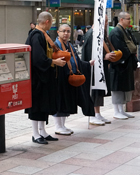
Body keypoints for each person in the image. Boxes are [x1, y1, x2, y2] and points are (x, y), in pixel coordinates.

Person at [24, 12, 66, 144]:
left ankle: (43, 131)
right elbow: (38, 58)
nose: (52, 24)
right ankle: (35, 134)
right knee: (37, 106)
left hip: (45, 76)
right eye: (52, 21)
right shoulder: (36, 35)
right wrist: (54, 62)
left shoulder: (43, 34)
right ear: (47, 21)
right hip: (38, 78)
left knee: (44, 105)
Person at [53, 24, 94, 135]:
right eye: (63, 31)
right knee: (60, 101)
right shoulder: (55, 45)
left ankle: (63, 125)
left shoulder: (69, 45)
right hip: (60, 78)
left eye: (68, 31)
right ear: (58, 32)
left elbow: (76, 61)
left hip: (69, 77)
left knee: (67, 101)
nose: (66, 33)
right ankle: (58, 126)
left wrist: (87, 64)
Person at [82, 16, 117, 125]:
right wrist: (104, 57)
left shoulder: (100, 33)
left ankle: (97, 113)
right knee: (94, 90)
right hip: (93, 67)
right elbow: (91, 53)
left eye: (107, 21)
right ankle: (93, 114)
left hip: (100, 67)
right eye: (105, 21)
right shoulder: (92, 34)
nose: (106, 23)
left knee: (99, 89)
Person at [109, 12, 137, 120]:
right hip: (119, 64)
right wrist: (129, 52)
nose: (129, 21)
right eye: (128, 19)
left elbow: (133, 43)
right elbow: (120, 47)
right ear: (121, 19)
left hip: (126, 63)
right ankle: (116, 111)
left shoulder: (125, 31)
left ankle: (121, 110)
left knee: (123, 88)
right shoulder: (116, 32)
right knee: (118, 88)